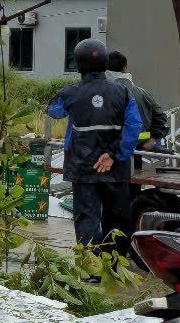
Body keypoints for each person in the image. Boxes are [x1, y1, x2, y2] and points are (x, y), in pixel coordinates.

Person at [46, 38, 140, 250]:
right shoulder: (123, 92)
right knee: (116, 218)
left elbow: (53, 111)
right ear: (105, 62)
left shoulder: (69, 92)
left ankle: (90, 269)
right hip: (115, 167)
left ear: (78, 64)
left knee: (87, 217)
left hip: (82, 167)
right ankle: (114, 268)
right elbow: (134, 126)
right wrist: (114, 154)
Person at [105, 49, 167, 152]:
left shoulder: (100, 94)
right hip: (138, 147)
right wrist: (152, 140)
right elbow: (160, 116)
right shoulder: (142, 93)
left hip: (110, 150)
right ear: (125, 68)